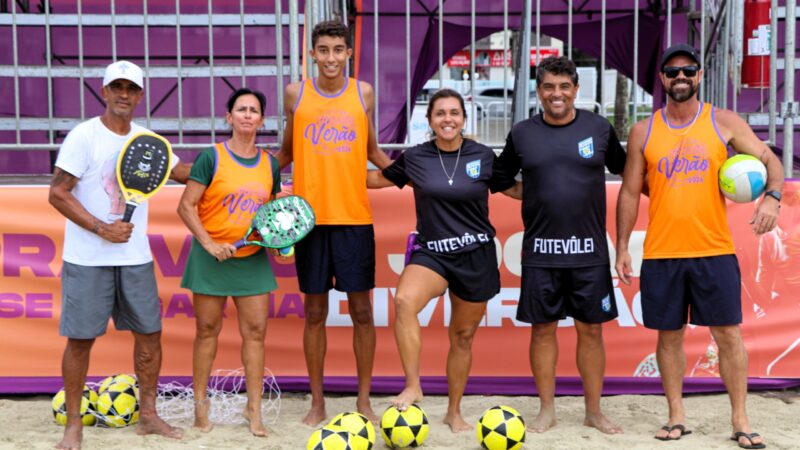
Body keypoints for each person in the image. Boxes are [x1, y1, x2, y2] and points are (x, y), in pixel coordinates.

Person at [615, 44, 784, 448]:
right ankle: (676, 415)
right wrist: (621, 246)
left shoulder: (723, 122)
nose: (680, 78)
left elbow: (770, 159)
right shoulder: (644, 130)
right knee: (669, 337)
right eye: (672, 72)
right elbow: (627, 192)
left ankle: (740, 419)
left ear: (700, 76)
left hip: (714, 250)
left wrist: (773, 197)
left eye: (688, 71)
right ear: (662, 78)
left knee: (727, 334)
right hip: (662, 252)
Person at [48, 60, 189, 450]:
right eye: (117, 87)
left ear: (141, 96)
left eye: (131, 89)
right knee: (80, 340)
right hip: (87, 258)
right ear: (104, 91)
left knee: (150, 334)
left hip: (135, 258)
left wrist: (243, 164)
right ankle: (73, 425)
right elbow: (57, 193)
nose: (124, 94)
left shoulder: (148, 140)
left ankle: (147, 415)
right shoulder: (83, 137)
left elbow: (184, 174)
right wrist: (101, 228)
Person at [366, 89, 518, 432]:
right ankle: (413, 384)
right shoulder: (417, 157)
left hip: (476, 255)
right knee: (404, 301)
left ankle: (454, 411)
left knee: (462, 337)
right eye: (440, 113)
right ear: (430, 120)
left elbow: (513, 189)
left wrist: (556, 185)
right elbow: (377, 179)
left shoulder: (483, 155)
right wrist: (327, 177)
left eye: (454, 113)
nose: (447, 119)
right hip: (432, 252)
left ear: (464, 118)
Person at [492, 56, 626, 434]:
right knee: (543, 330)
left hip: (589, 253)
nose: (557, 94)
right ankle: (546, 409)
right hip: (541, 252)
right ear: (538, 91)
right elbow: (500, 179)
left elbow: (627, 172)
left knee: (592, 331)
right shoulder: (522, 133)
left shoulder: (599, 128)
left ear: (576, 90)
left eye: (564, 87)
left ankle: (594, 411)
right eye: (549, 87)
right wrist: (534, 195)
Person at [276, 19, 393, 425]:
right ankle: (317, 401)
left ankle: (363, 400)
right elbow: (285, 154)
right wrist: (243, 173)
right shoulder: (296, 94)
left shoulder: (363, 93)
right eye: (322, 50)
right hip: (307, 222)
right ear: (312, 54)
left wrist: (416, 174)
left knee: (362, 313)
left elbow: (374, 151)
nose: (330, 57)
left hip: (354, 219)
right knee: (314, 315)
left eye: (337, 50)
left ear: (348, 53)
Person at [177, 88, 282, 437]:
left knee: (256, 334)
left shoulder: (271, 164)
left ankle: (253, 411)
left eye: (254, 110)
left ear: (262, 120)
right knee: (206, 331)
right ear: (229, 117)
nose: (248, 114)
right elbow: (186, 206)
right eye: (241, 109)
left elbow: (275, 217)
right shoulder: (211, 158)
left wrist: (281, 245)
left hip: (251, 259)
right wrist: (210, 244)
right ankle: (200, 406)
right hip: (212, 260)